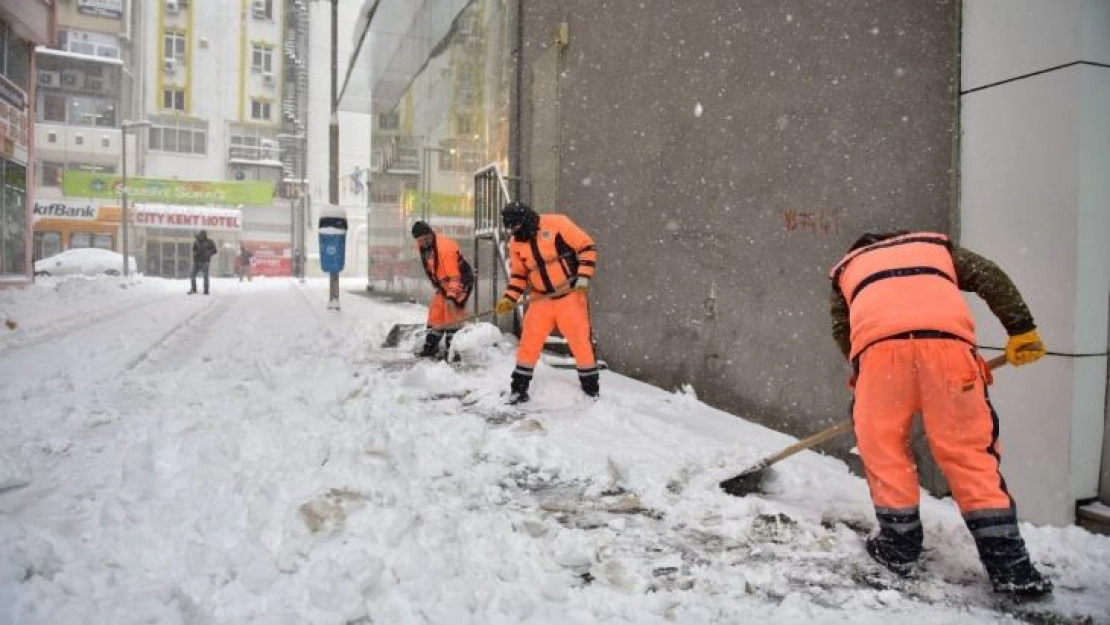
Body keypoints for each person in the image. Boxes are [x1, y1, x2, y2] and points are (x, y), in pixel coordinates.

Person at [829, 230, 1052, 598]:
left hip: (880, 354)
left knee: (883, 449)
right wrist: (1021, 329)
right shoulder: (933, 249)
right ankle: (1010, 566)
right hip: (949, 350)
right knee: (969, 454)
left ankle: (898, 547)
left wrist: (868, 372)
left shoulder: (847, 270)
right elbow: (989, 276)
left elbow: (844, 329)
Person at [495, 201, 599, 404]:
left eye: (517, 226)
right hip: (540, 299)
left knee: (580, 343)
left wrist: (584, 276)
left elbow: (587, 246)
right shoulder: (516, 243)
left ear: (525, 220)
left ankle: (591, 391)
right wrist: (509, 298)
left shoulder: (557, 223)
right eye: (511, 228)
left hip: (569, 295)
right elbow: (519, 275)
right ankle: (519, 388)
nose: (514, 231)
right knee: (529, 343)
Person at [411, 221, 474, 359]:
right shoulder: (423, 245)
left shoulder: (445, 249)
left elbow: (455, 277)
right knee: (437, 313)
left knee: (452, 317)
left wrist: (452, 297)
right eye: (421, 240)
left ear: (430, 234)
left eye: (426, 239)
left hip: (461, 280)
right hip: (444, 284)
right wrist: (438, 285)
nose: (424, 243)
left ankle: (453, 352)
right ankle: (430, 347)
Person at [188, 230, 218, 295]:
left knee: (205, 276)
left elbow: (215, 250)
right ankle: (193, 289)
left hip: (205, 261)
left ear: (205, 235)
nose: (201, 236)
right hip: (197, 261)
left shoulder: (210, 242)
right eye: (201, 235)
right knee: (192, 274)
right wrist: (195, 254)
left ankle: (206, 290)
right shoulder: (196, 242)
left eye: (203, 235)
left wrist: (208, 253)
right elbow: (194, 250)